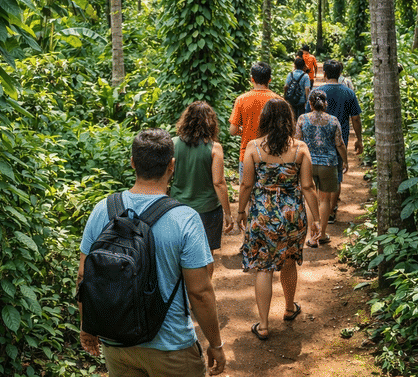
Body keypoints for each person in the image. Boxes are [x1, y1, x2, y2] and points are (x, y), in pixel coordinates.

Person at [78, 129, 226, 376]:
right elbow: (199, 292)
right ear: (172, 165)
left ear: (133, 162)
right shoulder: (184, 218)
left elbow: (84, 276)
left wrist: (88, 326)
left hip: (117, 345)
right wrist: (216, 344)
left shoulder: (103, 209)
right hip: (171, 349)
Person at [237, 100, 320, 340]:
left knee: (263, 267)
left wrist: (241, 211)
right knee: (289, 260)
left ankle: (263, 325)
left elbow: (246, 184)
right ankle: (289, 307)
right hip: (292, 215)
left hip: (262, 214)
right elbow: (308, 186)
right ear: (289, 120)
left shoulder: (254, 147)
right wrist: (315, 219)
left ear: (264, 119)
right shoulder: (300, 148)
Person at [171, 101, 235, 278]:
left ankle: (181, 296)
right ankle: (203, 297)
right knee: (206, 255)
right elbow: (219, 182)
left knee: (179, 253)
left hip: (178, 208)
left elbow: (166, 177)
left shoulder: (173, 144)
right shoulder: (214, 148)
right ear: (211, 122)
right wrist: (228, 213)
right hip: (207, 210)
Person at [310, 60, 363, 223]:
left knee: (315, 177)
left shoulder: (316, 92)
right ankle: (331, 212)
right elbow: (355, 118)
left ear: (324, 74)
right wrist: (359, 139)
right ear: (340, 74)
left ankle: (319, 209)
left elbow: (308, 116)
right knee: (337, 176)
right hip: (341, 139)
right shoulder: (348, 93)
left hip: (317, 140)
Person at [295, 89, 347, 246]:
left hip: (307, 164)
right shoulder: (333, 120)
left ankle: (312, 237)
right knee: (324, 200)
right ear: (326, 104)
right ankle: (322, 235)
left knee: (311, 199)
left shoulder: (302, 119)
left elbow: (297, 141)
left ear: (310, 104)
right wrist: (345, 160)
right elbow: (339, 143)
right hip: (328, 164)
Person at [229, 62, 281, 186]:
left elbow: (233, 130)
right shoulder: (278, 100)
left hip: (247, 154)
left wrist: (245, 130)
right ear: (269, 79)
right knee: (268, 194)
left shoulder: (241, 99)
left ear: (252, 79)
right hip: (271, 154)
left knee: (246, 192)